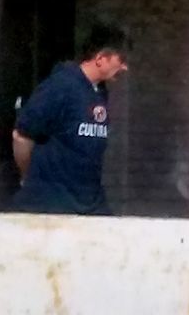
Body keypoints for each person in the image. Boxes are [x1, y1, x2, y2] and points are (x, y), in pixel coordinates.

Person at [10, 26, 130, 216]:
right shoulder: (60, 86)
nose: (124, 67)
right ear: (100, 59)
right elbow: (22, 135)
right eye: (121, 60)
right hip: (54, 204)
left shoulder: (99, 91)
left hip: (89, 202)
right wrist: (28, 176)